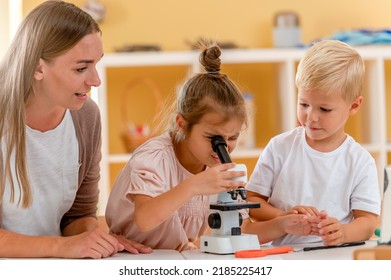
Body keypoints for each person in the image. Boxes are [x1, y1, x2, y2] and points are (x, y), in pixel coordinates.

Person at [105, 40, 313, 251]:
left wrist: (283, 224)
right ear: (182, 125)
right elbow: (145, 219)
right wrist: (195, 185)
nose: (223, 148)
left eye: (232, 138)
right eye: (213, 138)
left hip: (173, 257)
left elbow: (241, 229)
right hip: (127, 255)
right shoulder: (154, 157)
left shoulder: (215, 166)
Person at [0, 0, 151, 258]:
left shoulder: (86, 117)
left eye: (96, 64)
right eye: (81, 68)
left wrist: (96, 239)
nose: (95, 80)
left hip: (56, 266)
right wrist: (61, 247)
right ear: (39, 67)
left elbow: (78, 215)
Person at [246, 40, 381, 246]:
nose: (311, 117)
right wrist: (283, 216)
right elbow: (251, 201)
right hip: (283, 256)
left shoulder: (360, 161)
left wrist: (342, 233)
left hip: (334, 259)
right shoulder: (280, 147)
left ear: (354, 105)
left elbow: (369, 221)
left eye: (324, 109)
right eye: (304, 104)